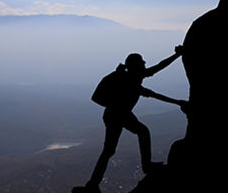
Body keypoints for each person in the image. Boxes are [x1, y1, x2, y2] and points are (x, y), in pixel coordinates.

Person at [72, 46, 186, 193]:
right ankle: (94, 183)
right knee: (112, 148)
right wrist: (116, 104)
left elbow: (156, 70)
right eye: (142, 64)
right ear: (136, 67)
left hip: (120, 114)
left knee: (130, 139)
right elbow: (96, 97)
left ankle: (95, 183)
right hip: (115, 116)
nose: (145, 66)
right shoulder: (124, 79)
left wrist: (176, 56)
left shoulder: (133, 78)